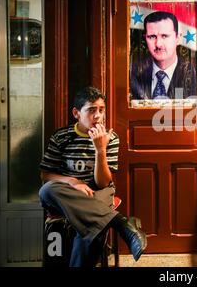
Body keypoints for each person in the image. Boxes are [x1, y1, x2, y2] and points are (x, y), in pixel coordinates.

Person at [39, 86, 147, 267]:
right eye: (91, 110)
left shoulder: (110, 138)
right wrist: (73, 182)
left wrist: (100, 150)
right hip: (67, 192)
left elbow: (103, 182)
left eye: (101, 110)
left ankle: (111, 223)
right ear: (76, 113)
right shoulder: (61, 137)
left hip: (98, 192)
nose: (98, 116)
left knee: (92, 228)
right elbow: (45, 175)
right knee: (46, 190)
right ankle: (121, 223)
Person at [130, 11, 197, 99]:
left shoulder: (196, 74)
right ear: (145, 38)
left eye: (164, 36)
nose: (158, 44)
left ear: (178, 38)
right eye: (152, 37)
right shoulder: (133, 74)